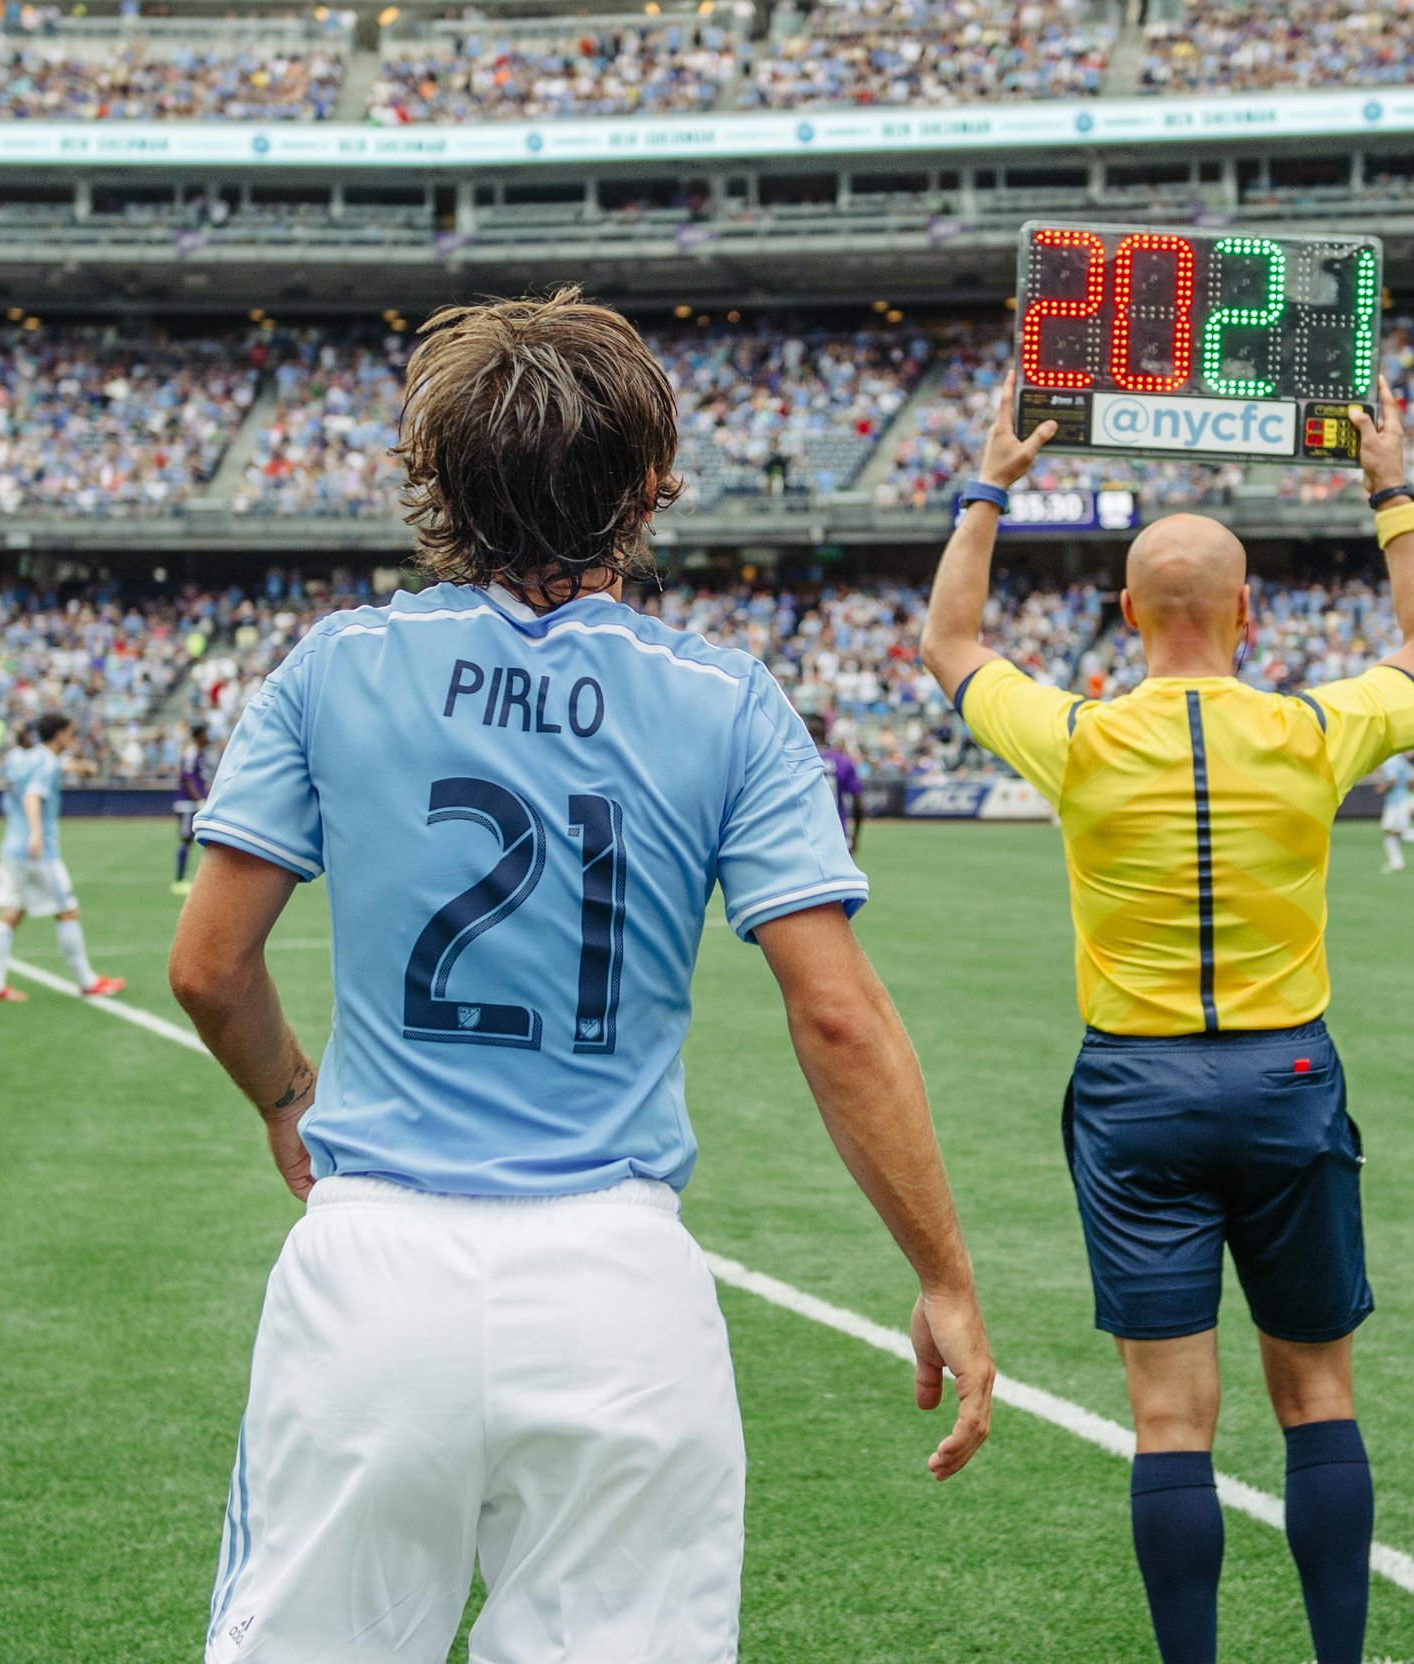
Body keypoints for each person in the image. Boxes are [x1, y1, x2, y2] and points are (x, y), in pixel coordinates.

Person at [165, 289, 994, 1664]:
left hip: (374, 1268)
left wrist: (283, 1095)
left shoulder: (338, 664)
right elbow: (839, 1019)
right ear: (652, 481)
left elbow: (207, 967)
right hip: (618, 1281)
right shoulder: (727, 699)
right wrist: (944, 1274)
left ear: (436, 483)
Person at [920, 376, 1414, 1664]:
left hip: (1137, 1092)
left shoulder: (1082, 738)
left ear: (1122, 615)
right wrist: (1390, 487)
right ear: (1248, 612)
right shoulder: (1312, 728)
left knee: (1170, 1423)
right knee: (1318, 1398)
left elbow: (949, 644)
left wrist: (990, 483)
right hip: (1285, 1074)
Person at [0, 714, 127, 1004]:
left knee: (11, 912)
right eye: (71, 734)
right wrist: (36, 834)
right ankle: (87, 982)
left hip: (11, 848)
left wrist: (78, 766)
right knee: (67, 910)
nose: (74, 740)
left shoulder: (21, 758)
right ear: (59, 734)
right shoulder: (46, 762)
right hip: (38, 852)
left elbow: (30, 777)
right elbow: (32, 795)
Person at [806, 709, 865, 854]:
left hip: (806, 835)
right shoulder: (842, 761)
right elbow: (858, 803)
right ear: (826, 732)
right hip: (837, 835)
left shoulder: (798, 761)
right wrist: (855, 837)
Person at [172, 721, 212, 895]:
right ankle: (179, 880)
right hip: (187, 804)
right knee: (186, 839)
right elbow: (187, 778)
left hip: (194, 803)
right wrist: (198, 799)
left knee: (198, 840)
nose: (208, 737)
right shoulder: (191, 752)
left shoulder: (199, 753)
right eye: (205, 733)